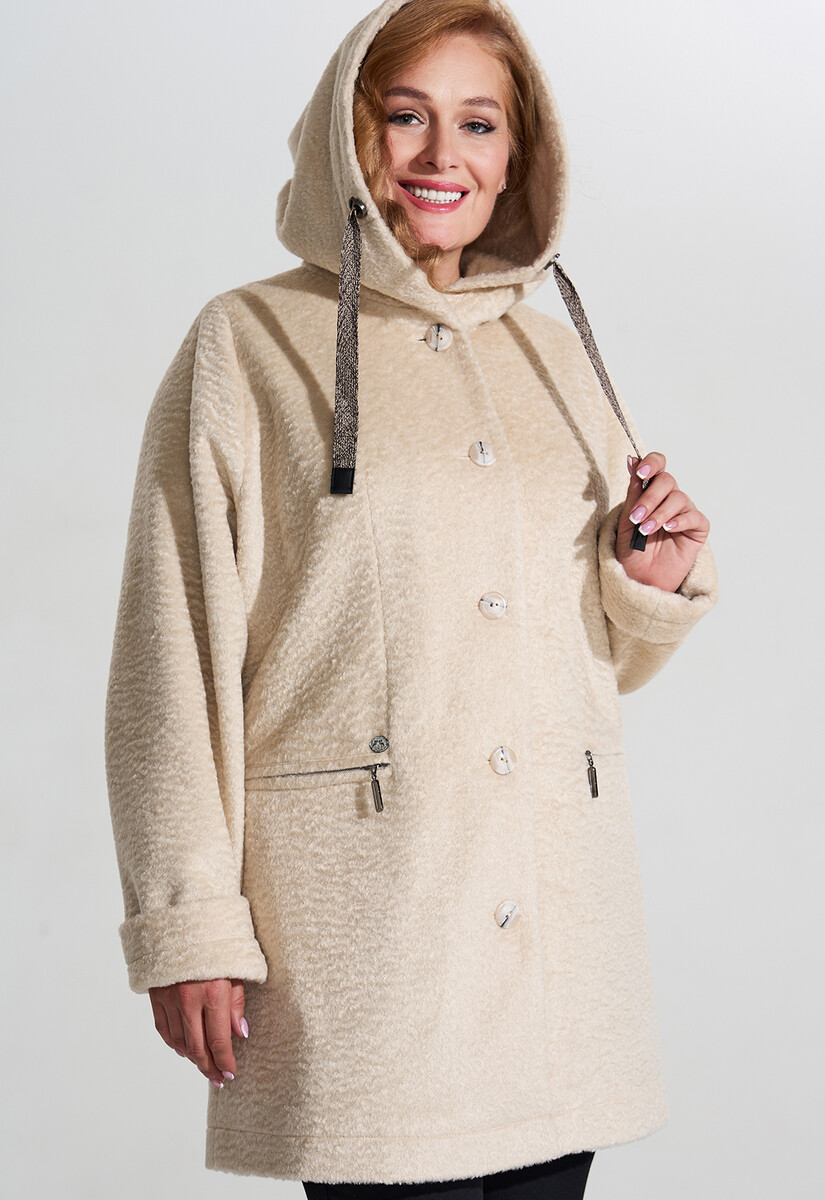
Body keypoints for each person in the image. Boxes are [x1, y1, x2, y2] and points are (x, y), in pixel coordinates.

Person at [104, 0, 718, 1197]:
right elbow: (168, 659)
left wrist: (645, 587)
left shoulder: (557, 358)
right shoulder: (248, 344)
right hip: (372, 941)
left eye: (479, 124)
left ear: (518, 155)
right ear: (348, 136)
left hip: (557, 955)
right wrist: (187, 924)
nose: (444, 155)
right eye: (406, 116)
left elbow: (589, 663)